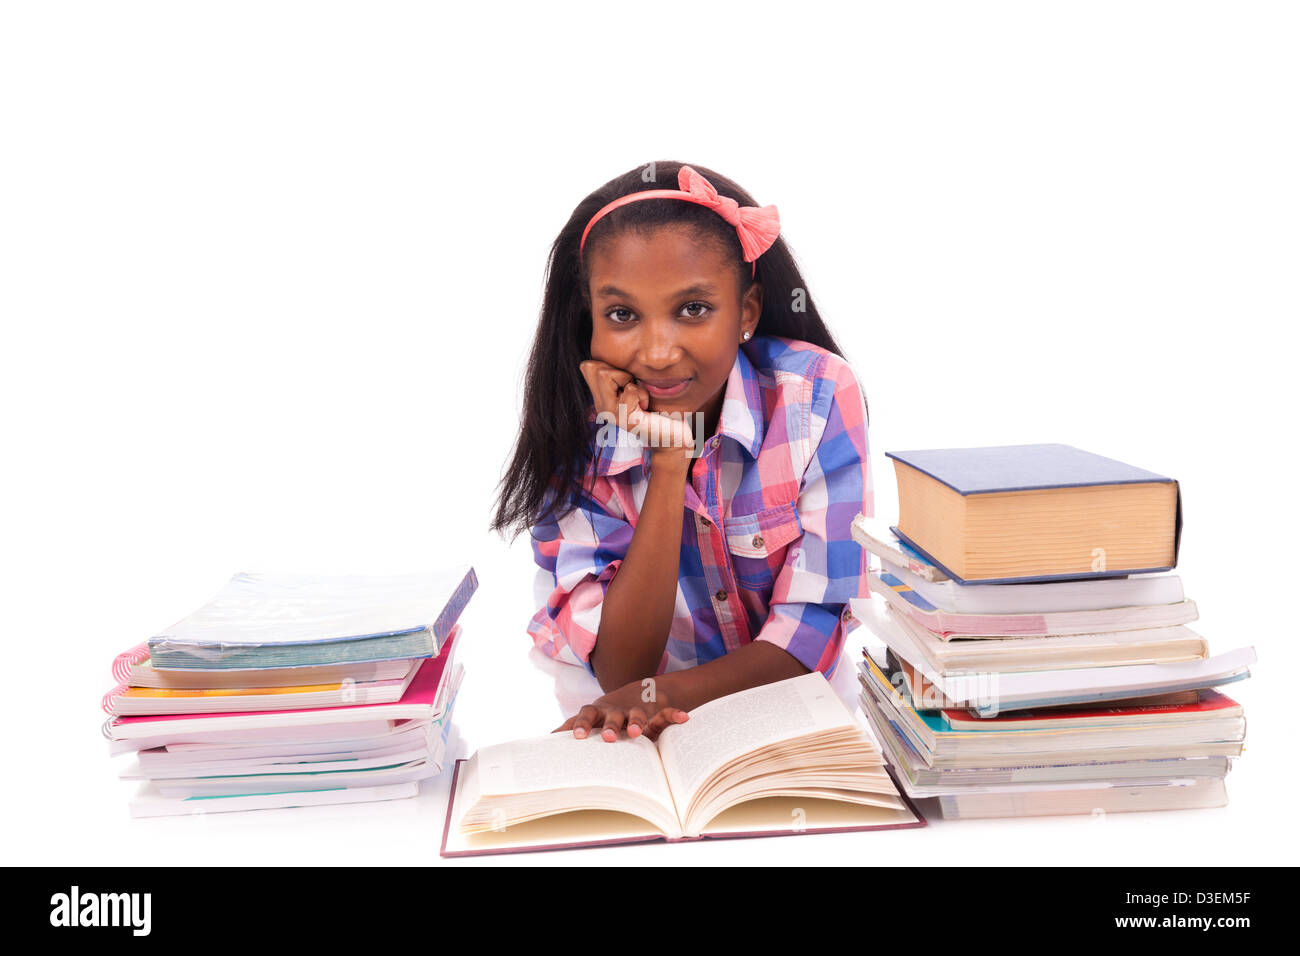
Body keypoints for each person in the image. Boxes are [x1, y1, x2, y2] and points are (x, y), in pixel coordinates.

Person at [491, 160, 871, 744]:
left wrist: (655, 697)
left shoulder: (814, 397)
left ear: (745, 312)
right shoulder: (577, 433)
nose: (659, 352)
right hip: (634, 738)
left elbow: (809, 629)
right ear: (589, 320)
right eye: (622, 315)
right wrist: (669, 462)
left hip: (790, 724)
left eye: (693, 309)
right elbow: (621, 669)